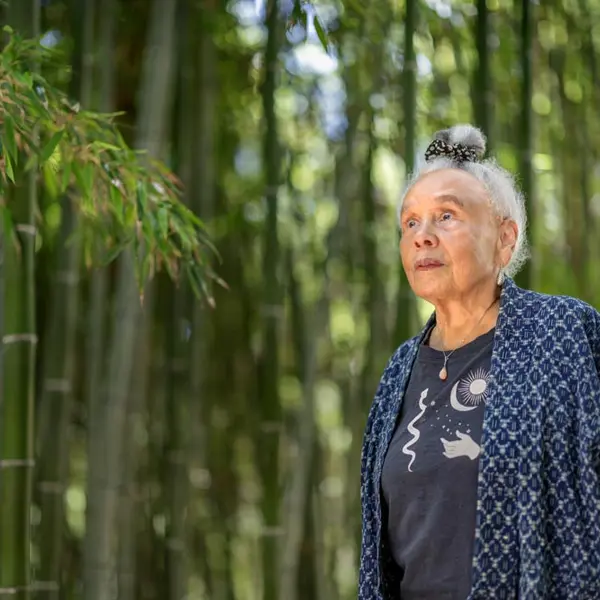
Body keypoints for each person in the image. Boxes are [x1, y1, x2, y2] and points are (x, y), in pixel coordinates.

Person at [358, 124, 600, 600]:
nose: (422, 237)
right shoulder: (399, 370)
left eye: (446, 216)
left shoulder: (563, 332)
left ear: (504, 240)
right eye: (410, 223)